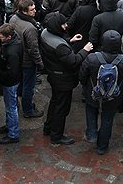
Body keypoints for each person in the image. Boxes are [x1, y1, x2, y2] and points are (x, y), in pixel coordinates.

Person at [40, 11, 93, 145]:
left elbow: (57, 49)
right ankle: (56, 136)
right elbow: (73, 61)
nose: (66, 26)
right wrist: (85, 50)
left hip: (53, 75)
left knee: (55, 102)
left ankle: (48, 127)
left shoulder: (45, 33)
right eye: (63, 24)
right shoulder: (60, 46)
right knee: (62, 108)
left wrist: (70, 41)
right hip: (63, 79)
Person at [79, 29, 123, 154]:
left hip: (93, 94)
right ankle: (102, 147)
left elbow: (82, 76)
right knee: (107, 119)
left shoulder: (92, 58)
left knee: (91, 111)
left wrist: (86, 86)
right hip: (113, 97)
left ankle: (92, 133)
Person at [0, 23, 23, 145]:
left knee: (11, 107)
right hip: (12, 80)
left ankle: (13, 134)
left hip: (10, 82)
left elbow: (12, 71)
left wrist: (0, 75)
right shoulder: (13, 44)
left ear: (9, 37)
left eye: (1, 37)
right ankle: (9, 126)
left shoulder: (12, 52)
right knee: (10, 106)